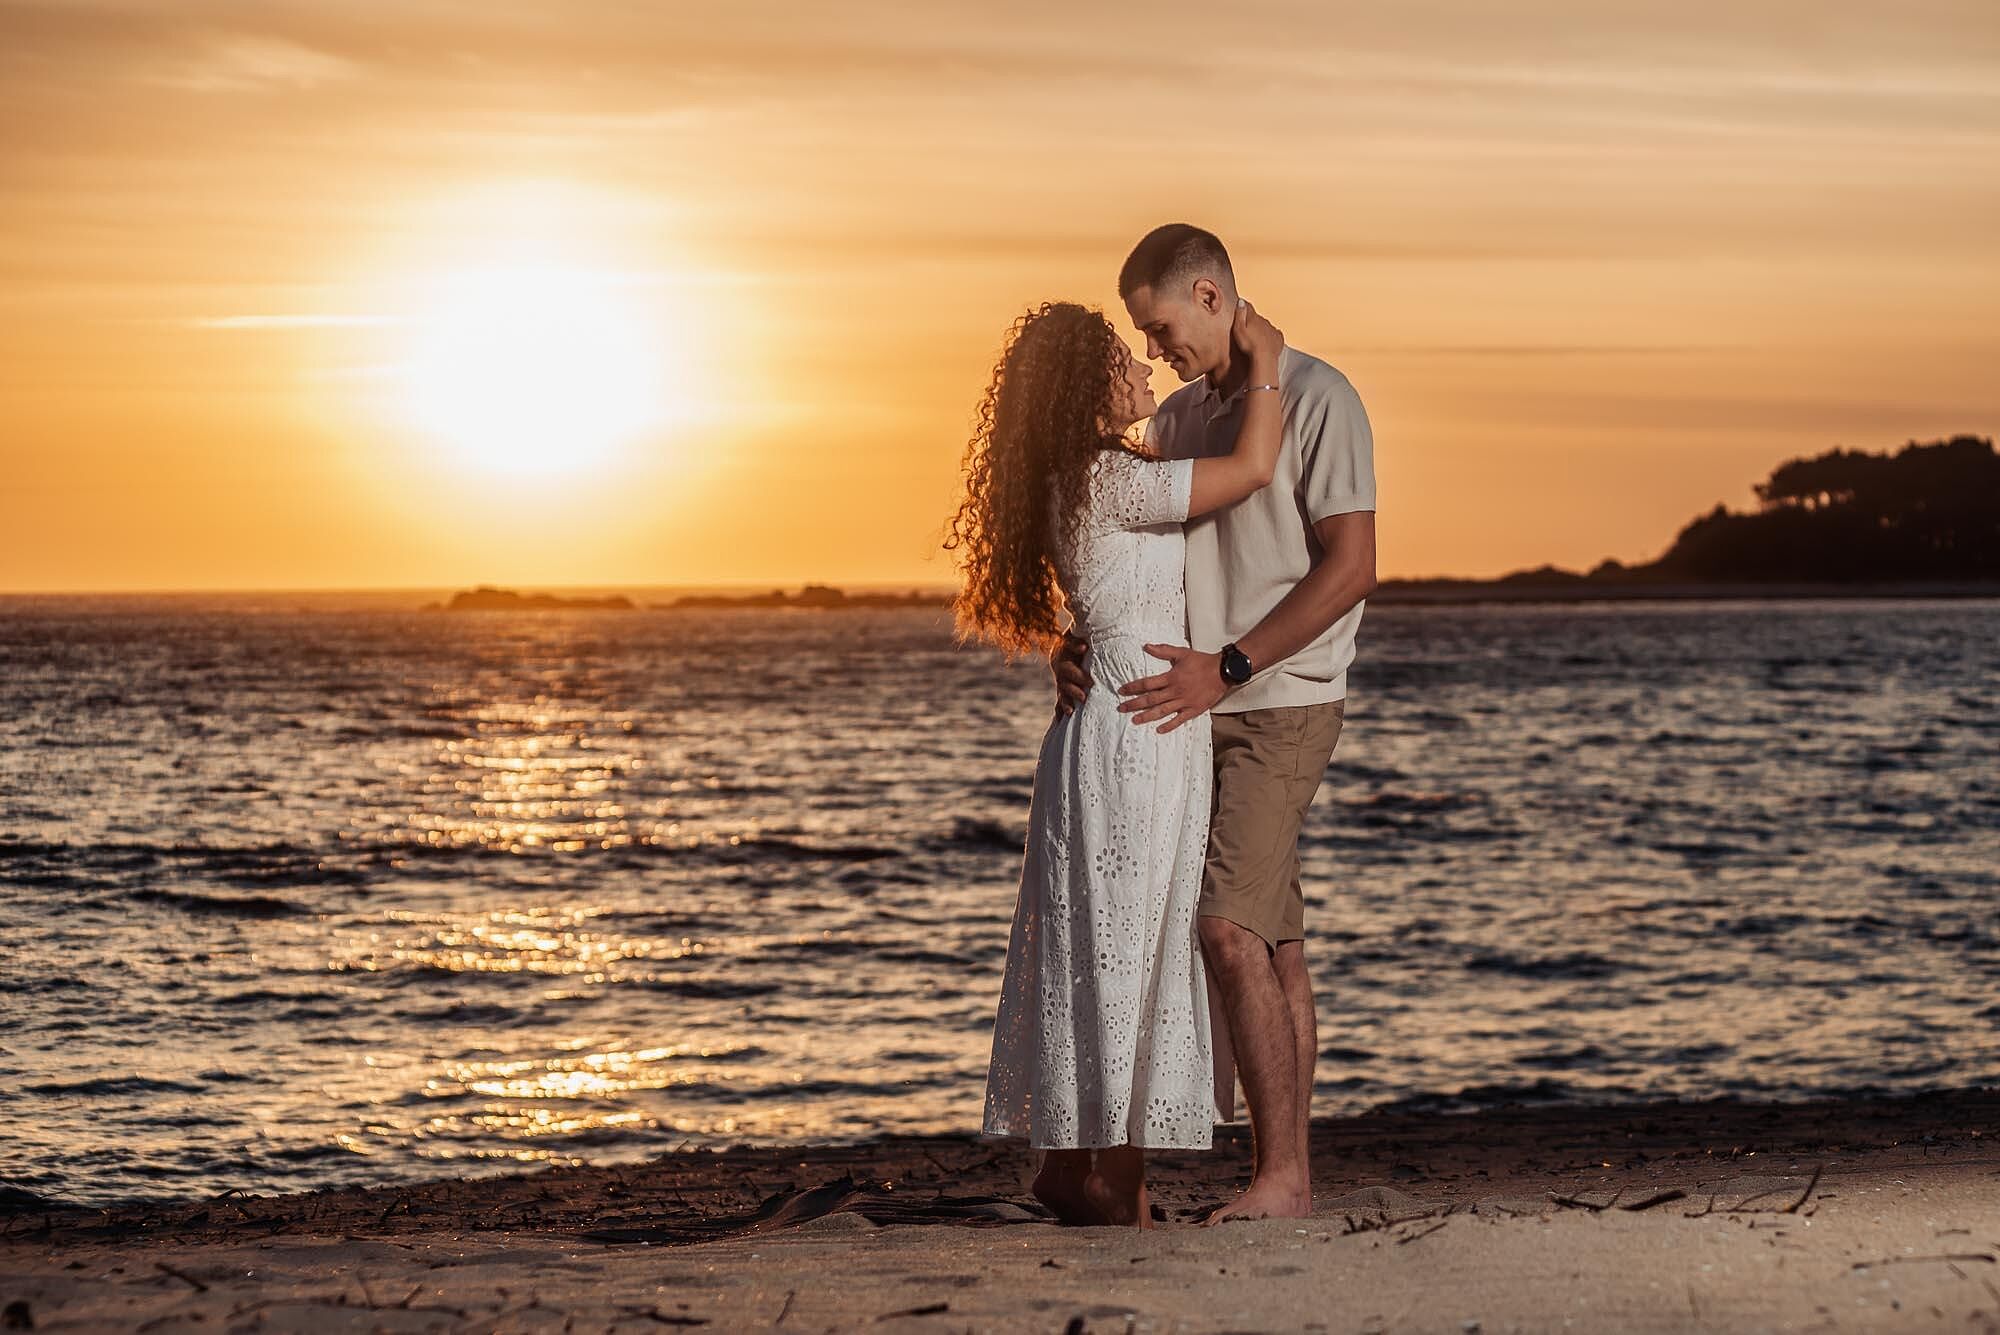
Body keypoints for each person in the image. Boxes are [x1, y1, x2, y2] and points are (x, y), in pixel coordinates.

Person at [1054, 224, 1378, 1224]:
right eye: (1141, 342)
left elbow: (1350, 567)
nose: (1155, 355)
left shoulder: (1319, 399)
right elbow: (1133, 561)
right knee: (1271, 938)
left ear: (1207, 294)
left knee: (1226, 928)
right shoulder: (1184, 417)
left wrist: (1232, 664)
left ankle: (1282, 1178)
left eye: (1158, 330)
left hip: (1276, 699)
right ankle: (1281, 1169)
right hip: (1189, 710)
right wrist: (1077, 645)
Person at [950, 296, 1287, 1227]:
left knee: (1091, 940)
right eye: (1121, 358)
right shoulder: (1108, 477)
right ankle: (1116, 1181)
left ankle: (1067, 1163)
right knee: (1131, 941)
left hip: (1106, 729)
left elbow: (1110, 597)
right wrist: (1266, 359)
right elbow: (1256, 466)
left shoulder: (1079, 478)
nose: (1143, 367)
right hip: (1137, 737)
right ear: (1086, 387)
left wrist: (1073, 642)